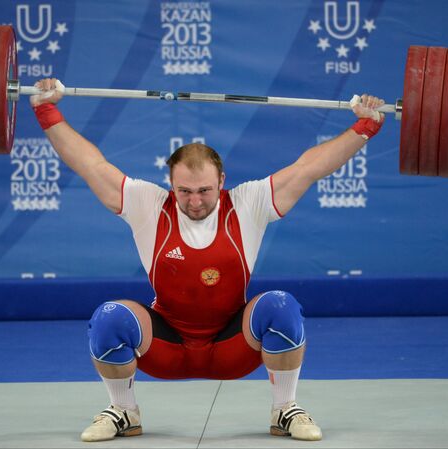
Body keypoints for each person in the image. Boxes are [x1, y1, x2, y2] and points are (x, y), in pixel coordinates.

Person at [30, 78, 385, 442]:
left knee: (281, 306)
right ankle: (124, 410)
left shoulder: (249, 203)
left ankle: (284, 409)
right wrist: (46, 110)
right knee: (109, 317)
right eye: (184, 191)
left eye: (204, 191)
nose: (195, 201)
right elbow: (91, 164)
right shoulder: (147, 205)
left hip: (233, 347)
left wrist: (364, 127)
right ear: (170, 184)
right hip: (167, 348)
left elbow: (310, 167)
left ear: (222, 181)